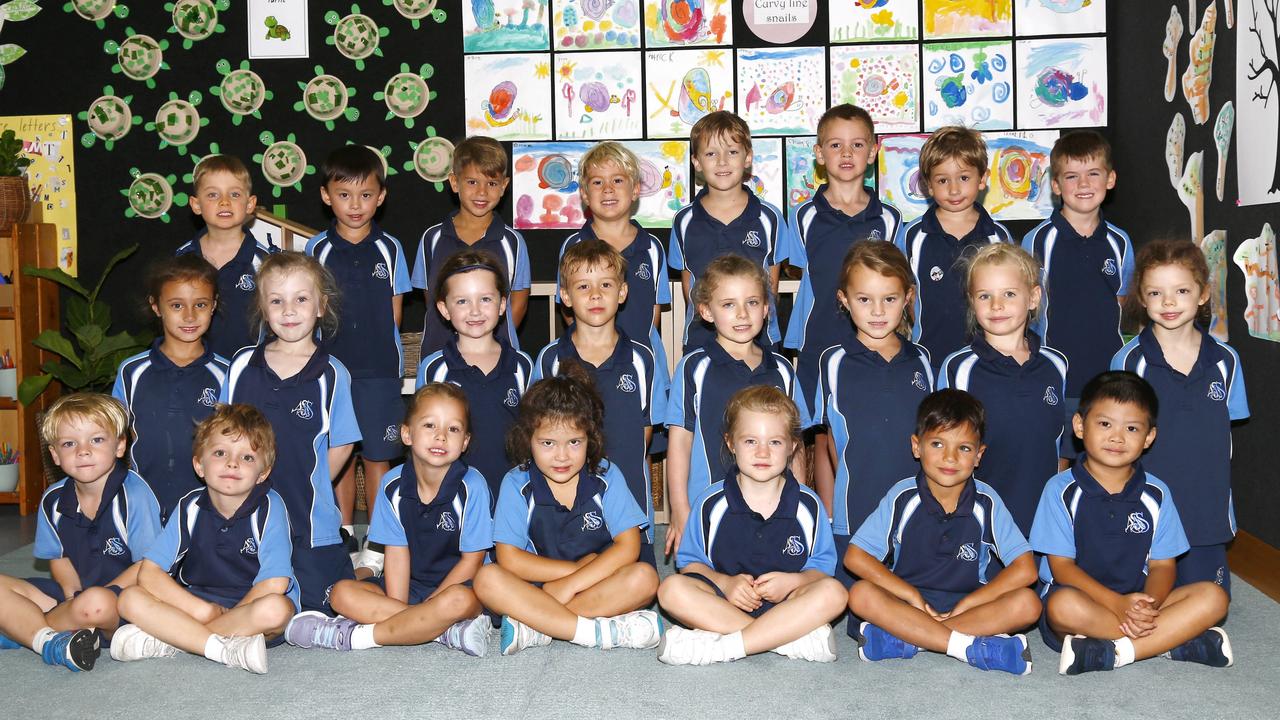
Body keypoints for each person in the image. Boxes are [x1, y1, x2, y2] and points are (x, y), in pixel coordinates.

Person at [1030, 371, 1232, 675]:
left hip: (1140, 599)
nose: (1117, 436)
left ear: (1149, 436)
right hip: (1084, 602)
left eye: (1132, 428)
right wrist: (1117, 604)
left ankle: (1114, 652)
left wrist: (1147, 607)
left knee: (1214, 597)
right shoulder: (1060, 489)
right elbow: (1062, 569)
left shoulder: (1157, 493)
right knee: (1062, 607)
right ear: (1080, 426)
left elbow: (1163, 566)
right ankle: (1169, 640)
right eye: (1105, 424)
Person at [284, 384, 494, 656]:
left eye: (453, 429)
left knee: (458, 601)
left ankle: (360, 636)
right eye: (429, 425)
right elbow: (396, 553)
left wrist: (433, 605)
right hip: (412, 588)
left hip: (459, 588)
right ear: (407, 433)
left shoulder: (472, 485)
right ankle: (443, 632)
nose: (441, 436)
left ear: (465, 441)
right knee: (341, 593)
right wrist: (406, 607)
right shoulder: (391, 484)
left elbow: (472, 562)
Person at [845, 389, 1039, 675]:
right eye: (937, 444)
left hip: (970, 606)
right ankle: (965, 647)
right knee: (860, 594)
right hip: (907, 603)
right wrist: (911, 596)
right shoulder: (903, 496)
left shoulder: (987, 501)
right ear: (916, 446)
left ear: (978, 455)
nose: (949, 457)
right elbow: (855, 557)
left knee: (1029, 604)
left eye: (963, 448)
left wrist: (970, 603)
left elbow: (1026, 570)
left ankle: (910, 639)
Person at [473, 367, 662, 656]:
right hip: (539, 585)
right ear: (528, 440)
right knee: (487, 580)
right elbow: (509, 559)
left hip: (596, 580)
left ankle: (537, 625)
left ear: (590, 439)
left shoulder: (606, 476)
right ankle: (590, 632)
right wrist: (572, 573)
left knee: (645, 578)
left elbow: (628, 547)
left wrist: (573, 583)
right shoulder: (516, 482)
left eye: (574, 442)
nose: (562, 456)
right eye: (548, 443)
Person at [657, 386, 845, 665]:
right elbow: (690, 564)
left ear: (793, 445)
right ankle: (784, 641)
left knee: (836, 594)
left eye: (775, 442)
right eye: (750, 442)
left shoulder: (809, 506)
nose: (763, 453)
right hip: (724, 604)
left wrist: (794, 581)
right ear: (731, 443)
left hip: (788, 605)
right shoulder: (710, 503)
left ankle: (726, 646)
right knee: (670, 590)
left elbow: (822, 570)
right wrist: (726, 583)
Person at [221, 252, 360, 615]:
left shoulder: (333, 374)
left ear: (320, 306)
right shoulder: (240, 366)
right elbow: (220, 435)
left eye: (301, 299)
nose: (289, 310)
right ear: (264, 309)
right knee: (249, 601)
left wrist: (313, 483)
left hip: (309, 521)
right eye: (277, 301)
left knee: (327, 605)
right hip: (246, 514)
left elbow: (343, 443)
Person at [111, 404, 298, 673]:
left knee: (276, 610)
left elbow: (275, 583)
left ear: (263, 473)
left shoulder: (271, 507)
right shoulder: (189, 506)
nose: (232, 463)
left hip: (249, 607)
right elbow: (149, 573)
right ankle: (221, 647)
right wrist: (202, 612)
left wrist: (231, 617)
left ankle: (176, 639)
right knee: (129, 598)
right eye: (220, 453)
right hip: (198, 601)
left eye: (247, 457)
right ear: (199, 464)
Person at [785, 104, 904, 512]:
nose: (847, 154)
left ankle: (875, 509)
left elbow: (899, 283)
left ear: (873, 151)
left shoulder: (889, 219)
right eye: (836, 145)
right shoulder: (802, 217)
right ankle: (830, 517)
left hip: (876, 336)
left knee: (867, 424)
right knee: (820, 430)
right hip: (821, 337)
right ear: (820, 154)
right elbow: (801, 283)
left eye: (857, 145)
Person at [1111, 240, 1248, 595]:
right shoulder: (1129, 362)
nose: (1168, 302)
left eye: (1182, 290)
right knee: (1140, 600)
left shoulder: (1226, 361)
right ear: (1142, 298)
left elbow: (1226, 431)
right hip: (1144, 509)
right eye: (1156, 292)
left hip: (1206, 509)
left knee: (1211, 601)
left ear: (1202, 294)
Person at [0, 394, 161, 671]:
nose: (82, 451)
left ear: (120, 445)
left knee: (94, 603)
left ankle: (22, 628)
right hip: (73, 597)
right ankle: (47, 639)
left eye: (96, 440)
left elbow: (147, 567)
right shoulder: (53, 499)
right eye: (69, 443)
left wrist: (97, 595)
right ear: (54, 455)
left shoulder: (134, 494)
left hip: (119, 604)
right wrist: (72, 593)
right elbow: (58, 557)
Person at [665, 254, 810, 556]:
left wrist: (800, 500)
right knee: (698, 588)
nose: (742, 314)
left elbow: (796, 444)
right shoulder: (694, 368)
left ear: (767, 309)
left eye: (752, 303)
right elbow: (680, 442)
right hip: (711, 507)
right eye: (729, 304)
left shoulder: (782, 370)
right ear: (706, 311)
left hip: (775, 508)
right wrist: (680, 510)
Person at [306, 145, 412, 558]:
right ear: (326, 195)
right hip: (330, 372)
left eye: (366, 195)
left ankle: (380, 539)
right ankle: (346, 530)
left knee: (379, 455)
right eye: (345, 194)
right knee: (340, 453)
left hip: (379, 373)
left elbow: (394, 314)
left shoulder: (391, 248)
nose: (356, 205)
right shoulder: (316, 250)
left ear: (381, 197)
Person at [534, 240, 668, 566]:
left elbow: (646, 435)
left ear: (622, 292)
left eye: (605, 285)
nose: (595, 295)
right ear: (565, 296)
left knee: (642, 582)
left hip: (628, 512)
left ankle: (569, 611)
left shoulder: (642, 358)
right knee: (565, 572)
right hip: (565, 514)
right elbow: (539, 437)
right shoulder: (551, 359)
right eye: (583, 286)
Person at [813, 241, 932, 589]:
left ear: (908, 298)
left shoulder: (923, 360)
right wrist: (832, 509)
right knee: (853, 598)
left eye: (890, 299)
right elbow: (828, 441)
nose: (877, 311)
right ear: (844, 300)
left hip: (917, 511)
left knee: (922, 595)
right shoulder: (832, 362)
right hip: (855, 513)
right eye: (864, 299)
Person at [938, 244, 1069, 534]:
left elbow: (1060, 445)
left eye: (1009, 294)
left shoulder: (1055, 365)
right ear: (972, 302)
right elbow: (942, 453)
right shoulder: (958, 369)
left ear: (1033, 297)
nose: (996, 305)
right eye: (985, 296)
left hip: (1043, 521)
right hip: (977, 523)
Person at [114, 254, 229, 522]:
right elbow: (114, 439)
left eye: (200, 304)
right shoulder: (132, 372)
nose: (189, 315)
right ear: (156, 307)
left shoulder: (228, 374)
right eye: (177, 305)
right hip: (143, 510)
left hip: (209, 512)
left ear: (214, 306)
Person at [1022, 130, 1133, 404]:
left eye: (1093, 173)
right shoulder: (1037, 241)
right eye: (1072, 176)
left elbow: (1122, 301)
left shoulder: (1120, 242)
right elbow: (1024, 309)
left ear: (1111, 179)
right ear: (1056, 185)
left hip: (1109, 378)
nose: (1084, 183)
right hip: (1051, 376)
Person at [417, 249, 533, 504]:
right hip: (455, 499)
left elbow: (535, 432)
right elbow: (422, 438)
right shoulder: (434, 368)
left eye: (485, 299)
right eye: (462, 301)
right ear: (443, 309)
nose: (475, 311)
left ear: (503, 304)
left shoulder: (522, 366)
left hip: (513, 498)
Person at [670, 110, 792, 352]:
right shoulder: (684, 221)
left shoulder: (770, 219)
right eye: (711, 153)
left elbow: (771, 285)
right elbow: (690, 291)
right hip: (701, 343)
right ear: (696, 162)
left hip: (761, 343)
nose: (722, 161)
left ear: (747, 158)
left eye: (732, 152)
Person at [897, 126, 1013, 367]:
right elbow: (901, 295)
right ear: (928, 184)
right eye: (942, 180)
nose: (954, 189)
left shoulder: (998, 237)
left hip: (989, 362)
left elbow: (1015, 297)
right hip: (929, 359)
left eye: (963, 177)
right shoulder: (912, 236)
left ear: (982, 178)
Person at [413, 135, 531, 357]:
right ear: (454, 182)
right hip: (441, 355)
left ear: (504, 186)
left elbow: (518, 303)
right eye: (472, 182)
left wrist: (487, 343)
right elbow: (432, 297)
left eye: (492, 183)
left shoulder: (512, 242)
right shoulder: (432, 238)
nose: (482, 192)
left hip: (498, 358)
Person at [556, 141, 671, 366]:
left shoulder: (652, 247)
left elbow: (654, 312)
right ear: (585, 194)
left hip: (641, 364)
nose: (608, 189)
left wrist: (640, 356)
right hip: (587, 363)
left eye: (617, 180)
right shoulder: (573, 246)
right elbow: (568, 307)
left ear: (636, 189)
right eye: (598, 182)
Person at [176, 154, 277, 359]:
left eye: (234, 194)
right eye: (213, 195)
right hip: (196, 371)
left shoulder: (265, 262)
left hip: (250, 371)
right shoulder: (182, 259)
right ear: (196, 205)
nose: (224, 202)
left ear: (250, 204)